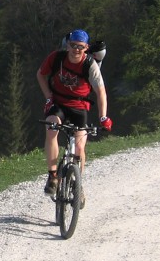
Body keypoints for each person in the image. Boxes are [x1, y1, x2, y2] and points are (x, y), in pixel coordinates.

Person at [36, 29, 112, 195]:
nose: (76, 49)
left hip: (79, 107)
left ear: (86, 48)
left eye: (80, 46)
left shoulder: (90, 64)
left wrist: (103, 117)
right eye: (73, 45)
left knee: (79, 146)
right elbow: (40, 75)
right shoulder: (57, 58)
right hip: (59, 104)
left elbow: (101, 92)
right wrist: (48, 96)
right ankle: (53, 176)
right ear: (68, 45)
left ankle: (78, 185)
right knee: (51, 129)